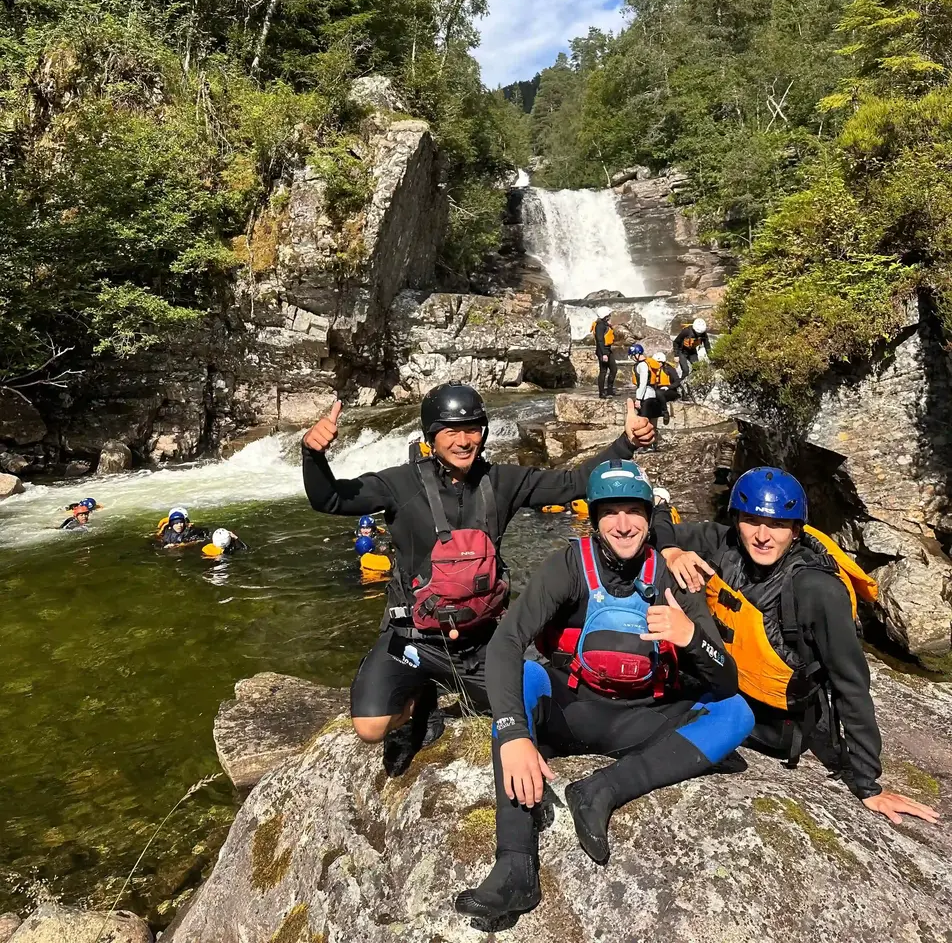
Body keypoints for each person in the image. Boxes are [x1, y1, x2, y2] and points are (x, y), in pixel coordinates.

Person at [302, 384, 656, 778]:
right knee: (370, 726)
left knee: (534, 710)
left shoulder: (503, 481)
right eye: (450, 430)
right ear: (430, 436)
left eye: (472, 428)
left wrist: (626, 443)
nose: (464, 440)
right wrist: (313, 455)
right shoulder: (399, 485)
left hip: (483, 639)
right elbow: (331, 499)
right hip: (414, 637)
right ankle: (421, 702)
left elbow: (573, 484)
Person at [454, 460, 753, 924]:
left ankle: (600, 791)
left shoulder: (674, 579)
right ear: (593, 519)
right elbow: (507, 641)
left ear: (649, 516)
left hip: (643, 718)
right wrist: (513, 733)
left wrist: (690, 637)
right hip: (573, 709)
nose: (622, 524)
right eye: (609, 512)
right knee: (527, 678)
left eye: (633, 511)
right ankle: (515, 866)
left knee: (737, 714)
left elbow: (725, 680)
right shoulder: (568, 565)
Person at [654, 467, 941, 827]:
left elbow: (850, 684)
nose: (761, 536)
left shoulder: (816, 590)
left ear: (795, 530)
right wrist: (671, 550)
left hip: (776, 725)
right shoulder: (727, 543)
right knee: (660, 573)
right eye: (751, 521)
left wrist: (869, 785)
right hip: (728, 683)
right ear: (737, 520)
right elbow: (650, 535)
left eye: (776, 525)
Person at [632, 351, 673, 448]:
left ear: (636, 355)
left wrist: (638, 399)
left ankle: (647, 446)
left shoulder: (642, 365)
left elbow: (643, 383)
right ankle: (655, 444)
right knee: (653, 423)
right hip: (653, 394)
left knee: (644, 423)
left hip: (645, 397)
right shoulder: (649, 363)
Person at [672, 317, 711, 391]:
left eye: (700, 333)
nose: (699, 334)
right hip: (682, 351)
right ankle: (681, 388)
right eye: (698, 333)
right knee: (686, 370)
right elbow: (676, 342)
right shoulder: (686, 331)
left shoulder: (704, 334)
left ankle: (691, 385)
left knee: (697, 368)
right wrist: (676, 355)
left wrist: (711, 357)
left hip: (692, 352)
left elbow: (707, 345)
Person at [592, 307, 617, 399]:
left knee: (614, 369)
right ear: (605, 315)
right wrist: (604, 354)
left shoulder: (604, 324)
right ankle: (601, 393)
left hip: (607, 350)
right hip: (602, 351)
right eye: (609, 314)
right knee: (603, 371)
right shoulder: (600, 326)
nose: (610, 316)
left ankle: (610, 390)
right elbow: (600, 341)